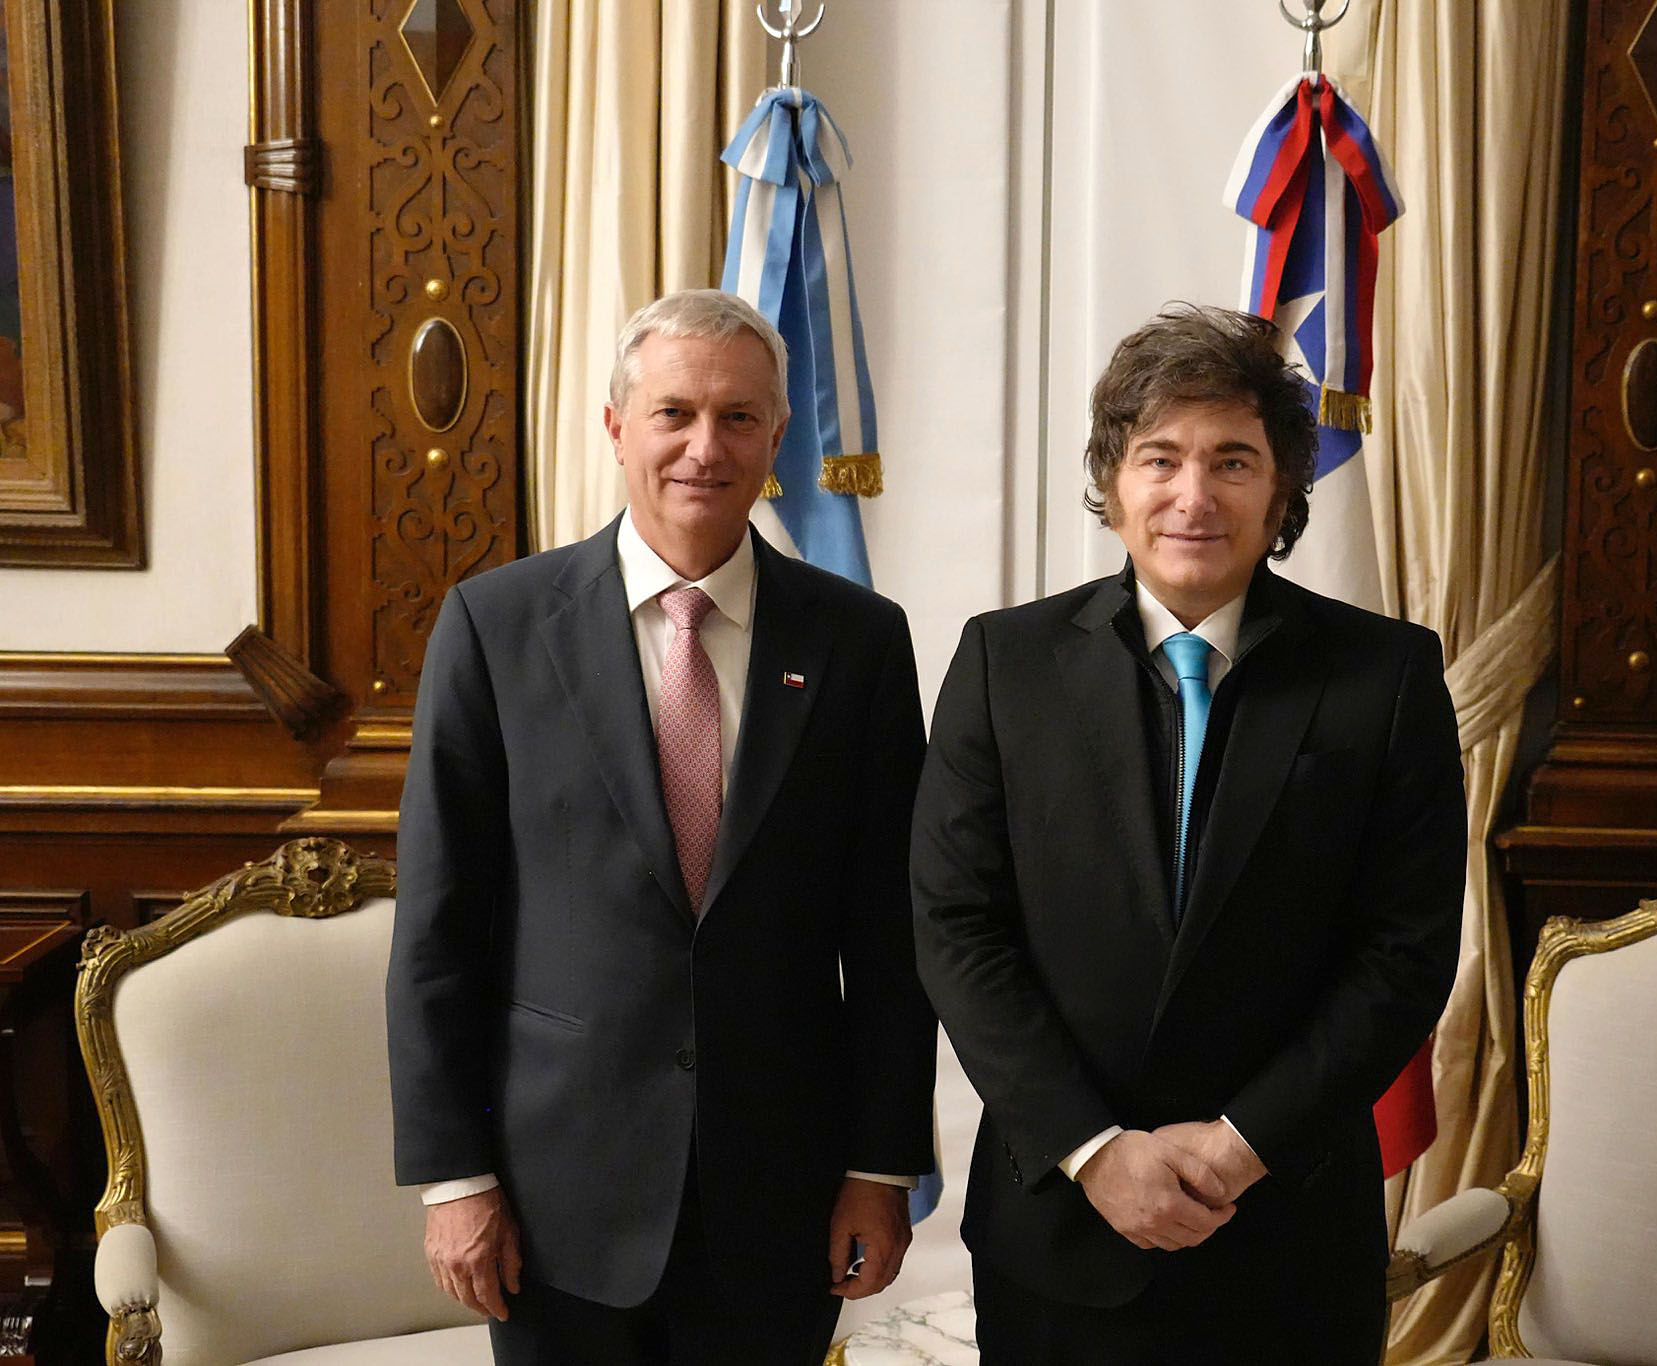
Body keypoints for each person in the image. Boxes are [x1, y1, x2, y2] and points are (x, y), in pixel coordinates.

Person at [388, 289, 936, 1364]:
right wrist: (454, 1180)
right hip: (553, 1206)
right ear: (615, 427)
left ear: (778, 437)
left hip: (780, 1198)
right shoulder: (493, 627)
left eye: (738, 417)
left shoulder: (859, 641)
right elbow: (438, 928)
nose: (704, 446)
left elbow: (889, 936)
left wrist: (879, 1166)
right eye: (673, 412)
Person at [911, 304, 1465, 1363]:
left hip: (1287, 1227)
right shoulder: (1002, 665)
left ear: (1281, 491)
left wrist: (1240, 1146)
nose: (1191, 495)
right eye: (1158, 457)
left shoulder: (1384, 678)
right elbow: (954, 929)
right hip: (1060, 1229)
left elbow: (1402, 954)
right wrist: (1094, 1150)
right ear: (1113, 482)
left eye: (1231, 460)